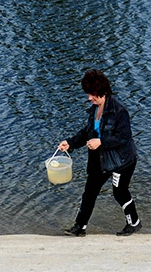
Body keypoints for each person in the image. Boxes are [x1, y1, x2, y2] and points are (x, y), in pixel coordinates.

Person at [58, 69, 141, 237]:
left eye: (92, 94)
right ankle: (80, 227)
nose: (89, 98)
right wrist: (70, 143)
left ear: (102, 91)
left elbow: (124, 137)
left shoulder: (119, 111)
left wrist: (101, 141)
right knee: (89, 192)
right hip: (100, 159)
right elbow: (87, 132)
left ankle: (134, 223)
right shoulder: (94, 110)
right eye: (88, 94)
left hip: (121, 160)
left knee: (119, 192)